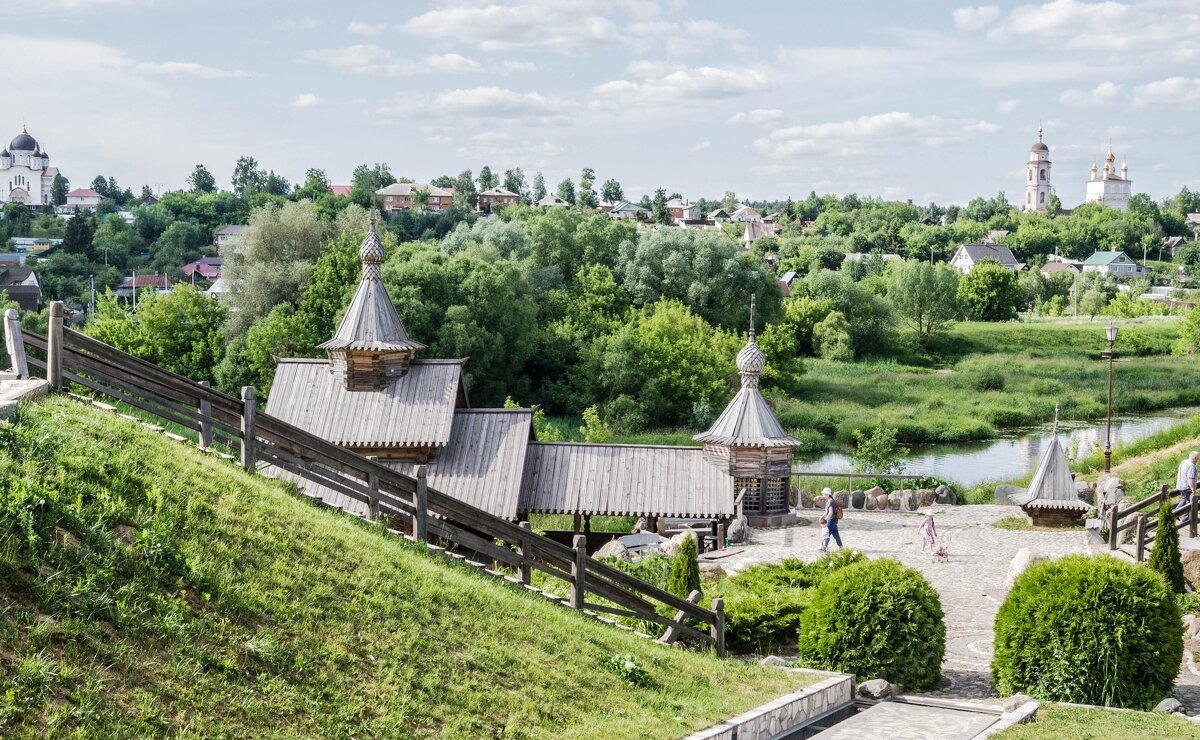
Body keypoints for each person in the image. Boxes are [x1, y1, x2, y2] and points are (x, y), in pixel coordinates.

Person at [818, 488, 843, 553]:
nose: (823, 495)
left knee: (826, 534)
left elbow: (830, 513)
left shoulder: (830, 501)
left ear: (827, 494)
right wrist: (822, 516)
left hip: (831, 520)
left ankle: (823, 547)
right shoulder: (831, 500)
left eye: (824, 494)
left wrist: (825, 520)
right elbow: (827, 512)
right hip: (834, 520)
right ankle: (841, 547)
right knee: (836, 535)